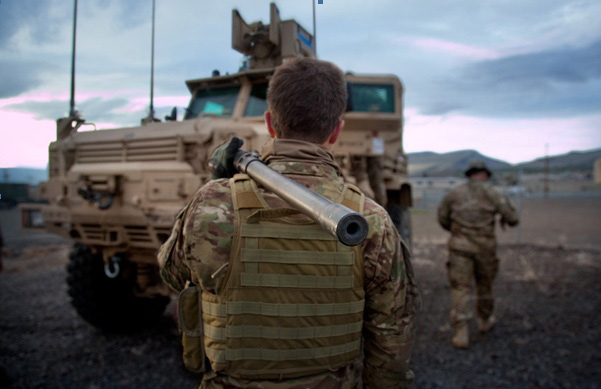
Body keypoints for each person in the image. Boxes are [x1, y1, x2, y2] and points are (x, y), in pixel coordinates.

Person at [158, 58, 421, 388]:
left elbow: (171, 273)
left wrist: (214, 188)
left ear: (269, 122)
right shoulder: (371, 219)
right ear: (337, 130)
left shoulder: (214, 203)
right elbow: (392, 336)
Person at [437, 161, 518, 349]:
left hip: (459, 247)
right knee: (485, 285)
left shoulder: (454, 193)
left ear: (469, 174)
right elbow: (513, 219)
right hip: (485, 247)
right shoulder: (494, 193)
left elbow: (442, 218)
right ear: (485, 174)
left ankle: (461, 332)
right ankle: (485, 320)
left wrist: (458, 232)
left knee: (461, 288)